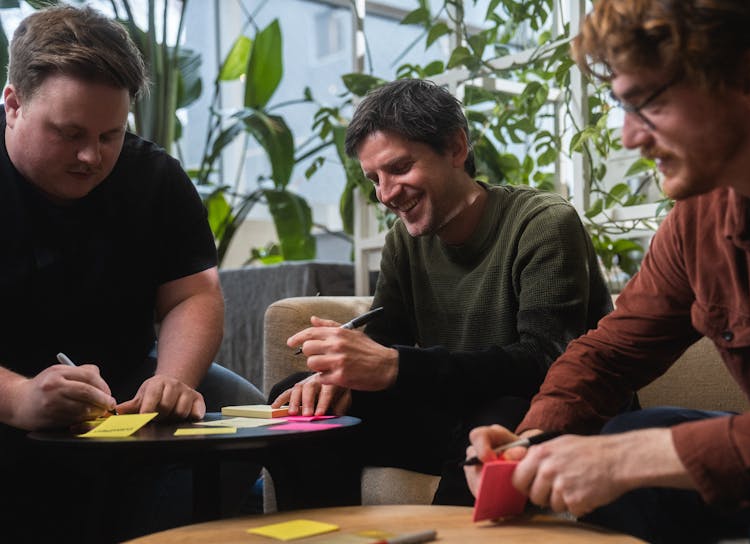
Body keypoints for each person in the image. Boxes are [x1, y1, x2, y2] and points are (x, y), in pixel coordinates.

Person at [466, 1, 750, 542]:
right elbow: (611, 352)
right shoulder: (697, 221)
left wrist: (638, 456)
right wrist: (532, 442)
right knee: (629, 439)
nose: (629, 137)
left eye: (645, 104)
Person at [268, 78, 613, 508]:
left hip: (543, 413)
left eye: (399, 169)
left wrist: (395, 366)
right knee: (299, 398)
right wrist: (341, 373)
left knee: (499, 413)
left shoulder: (543, 223)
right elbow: (385, 336)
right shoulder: (405, 239)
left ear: (455, 148)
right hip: (459, 411)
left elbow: (544, 362)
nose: (386, 194)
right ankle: (320, 537)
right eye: (374, 178)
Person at [0, 5, 264, 542]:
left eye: (110, 135)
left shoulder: (153, 177)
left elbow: (193, 294)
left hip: (124, 385)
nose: (90, 156)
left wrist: (173, 379)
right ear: (13, 104)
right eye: (69, 132)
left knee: (248, 416)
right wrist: (19, 399)